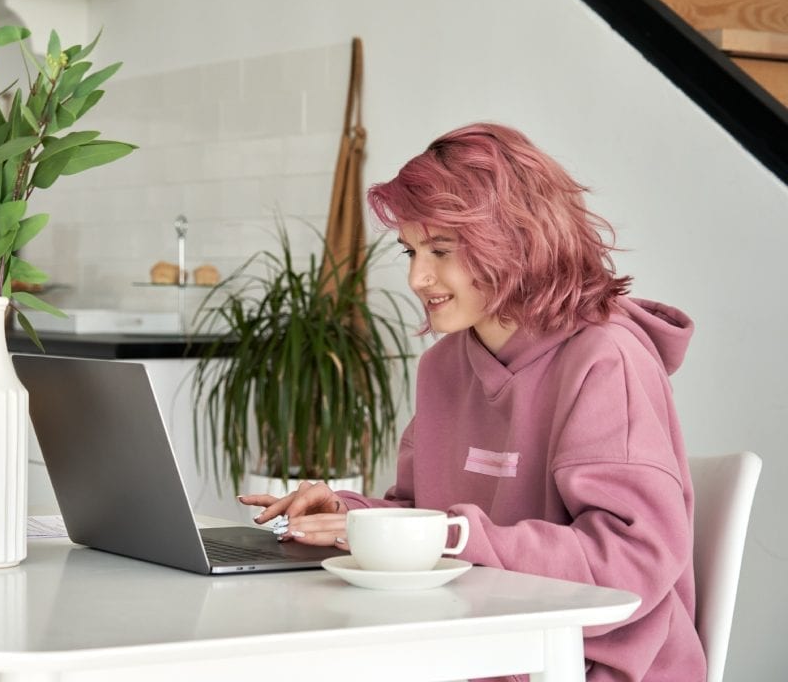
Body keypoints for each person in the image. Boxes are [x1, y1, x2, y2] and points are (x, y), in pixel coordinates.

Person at [241, 123, 706, 681]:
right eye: (411, 250)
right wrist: (351, 517)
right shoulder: (444, 366)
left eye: (441, 251)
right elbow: (426, 518)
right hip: (476, 649)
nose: (417, 277)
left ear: (516, 243)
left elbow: (630, 565)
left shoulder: (606, 360)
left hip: (589, 665)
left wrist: (453, 536)